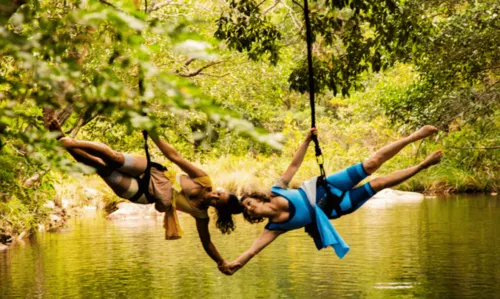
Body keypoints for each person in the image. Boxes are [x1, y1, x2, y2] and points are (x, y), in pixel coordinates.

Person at [221, 126, 442, 275]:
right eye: (249, 212)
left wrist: (307, 140)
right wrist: (234, 264)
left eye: (250, 203)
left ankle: (415, 136)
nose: (251, 209)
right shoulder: (275, 228)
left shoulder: (277, 190)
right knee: (380, 183)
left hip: (330, 185)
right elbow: (252, 251)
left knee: (372, 163)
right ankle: (423, 165)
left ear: (258, 199)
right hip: (338, 206)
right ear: (253, 217)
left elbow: (293, 166)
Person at [47, 119, 243, 270]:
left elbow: (207, 243)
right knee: (113, 157)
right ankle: (71, 142)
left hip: (145, 195)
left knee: (99, 166)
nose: (214, 197)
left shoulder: (201, 215)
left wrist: (221, 262)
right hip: (155, 174)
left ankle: (60, 138)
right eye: (219, 194)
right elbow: (175, 156)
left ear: (218, 208)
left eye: (218, 202)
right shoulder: (203, 180)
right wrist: (153, 132)